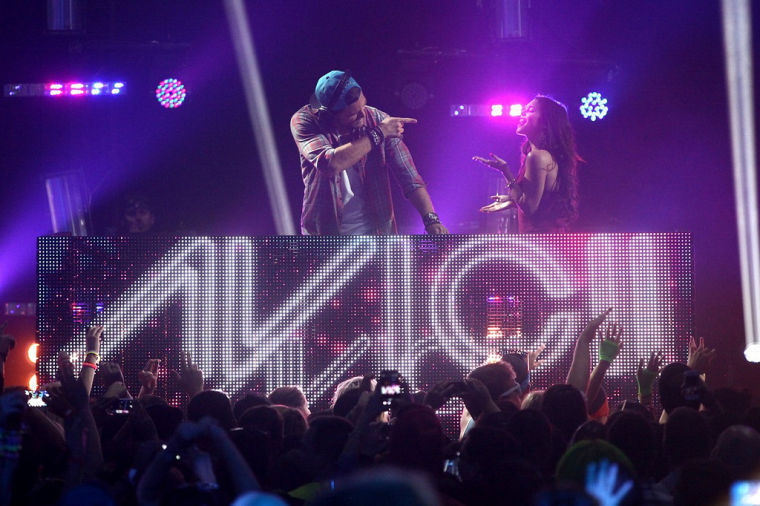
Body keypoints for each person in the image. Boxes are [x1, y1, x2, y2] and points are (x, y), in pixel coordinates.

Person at [291, 70, 448, 235]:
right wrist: (378, 134)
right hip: (323, 236)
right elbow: (330, 163)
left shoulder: (378, 119)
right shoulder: (305, 121)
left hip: (376, 233)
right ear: (330, 116)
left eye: (363, 105)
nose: (362, 115)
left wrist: (431, 219)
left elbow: (409, 177)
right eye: (352, 114)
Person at [474, 95, 580, 233]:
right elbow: (541, 202)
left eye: (530, 110)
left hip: (539, 243)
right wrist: (511, 201)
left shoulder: (537, 156)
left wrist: (505, 171)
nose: (522, 113)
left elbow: (529, 207)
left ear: (545, 121)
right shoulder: (542, 155)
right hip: (545, 242)